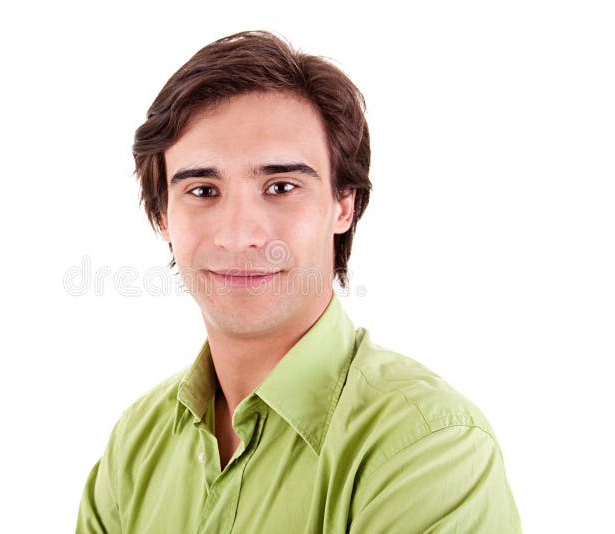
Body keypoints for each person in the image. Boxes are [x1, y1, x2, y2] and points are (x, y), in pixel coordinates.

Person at [76, 30, 521, 533]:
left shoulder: (430, 447)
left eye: (281, 187)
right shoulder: (135, 447)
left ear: (343, 204)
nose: (239, 234)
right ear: (162, 217)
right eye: (203, 190)